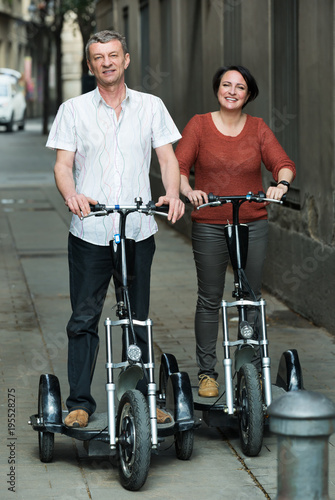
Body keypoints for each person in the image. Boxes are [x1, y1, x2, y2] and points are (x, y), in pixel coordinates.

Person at [46, 30, 184, 427]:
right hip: (89, 231)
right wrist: (71, 194)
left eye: (113, 55)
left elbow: (167, 158)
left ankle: (141, 396)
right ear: (89, 66)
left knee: (136, 317)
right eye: (98, 57)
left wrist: (172, 193)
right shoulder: (73, 110)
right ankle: (80, 403)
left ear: (125, 60)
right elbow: (62, 165)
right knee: (84, 317)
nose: (106, 62)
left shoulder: (151, 106)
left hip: (138, 228)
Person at [175, 65, 295, 398]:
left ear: (248, 94)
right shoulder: (199, 125)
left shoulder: (258, 128)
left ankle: (251, 368)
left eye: (239, 87)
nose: (231, 91)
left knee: (250, 297)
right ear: (217, 89)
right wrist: (188, 190)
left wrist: (281, 184)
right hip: (211, 223)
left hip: (252, 221)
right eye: (225, 85)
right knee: (209, 298)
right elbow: (179, 166)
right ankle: (206, 373)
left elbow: (282, 162)